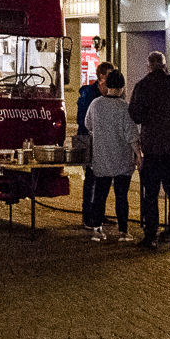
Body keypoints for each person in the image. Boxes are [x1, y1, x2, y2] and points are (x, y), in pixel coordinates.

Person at [128, 51, 170, 250]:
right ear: (165, 66)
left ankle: (151, 237)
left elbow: (135, 115)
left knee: (151, 194)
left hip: (153, 149)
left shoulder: (142, 86)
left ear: (149, 67)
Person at [85, 69, 135, 240]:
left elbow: (88, 125)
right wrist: (138, 155)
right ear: (122, 87)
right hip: (122, 159)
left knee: (100, 195)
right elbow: (131, 135)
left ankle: (97, 230)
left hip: (102, 157)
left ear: (107, 85)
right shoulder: (125, 107)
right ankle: (123, 232)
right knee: (121, 196)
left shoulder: (95, 104)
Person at [75, 60, 113, 229]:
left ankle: (98, 213)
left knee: (102, 178)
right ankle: (87, 216)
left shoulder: (109, 93)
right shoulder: (88, 94)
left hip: (102, 140)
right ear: (100, 77)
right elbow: (82, 120)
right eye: (108, 76)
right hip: (88, 140)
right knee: (91, 178)